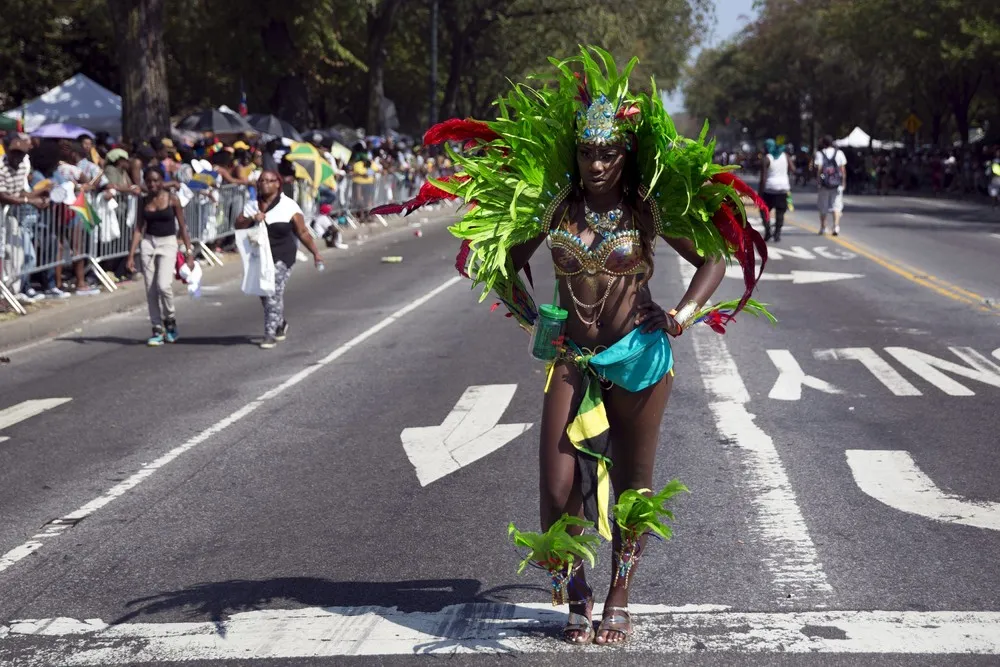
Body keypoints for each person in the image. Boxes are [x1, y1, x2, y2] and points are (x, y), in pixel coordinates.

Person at [375, 46, 770, 646]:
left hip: (637, 357)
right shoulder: (556, 208)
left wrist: (682, 315)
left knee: (633, 486)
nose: (596, 163)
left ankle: (619, 593)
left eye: (608, 151)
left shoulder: (647, 211)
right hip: (572, 361)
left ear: (625, 153)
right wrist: (534, 316)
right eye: (587, 151)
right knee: (558, 486)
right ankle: (576, 586)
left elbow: (712, 257)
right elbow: (502, 264)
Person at [235, 169, 324, 349]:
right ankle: (280, 322)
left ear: (278, 183)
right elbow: (238, 225)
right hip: (260, 257)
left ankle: (270, 333)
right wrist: (252, 218)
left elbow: (303, 232)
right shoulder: (252, 205)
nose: (265, 184)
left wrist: (316, 253)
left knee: (272, 292)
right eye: (261, 181)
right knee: (263, 293)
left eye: (269, 180)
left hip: (283, 256)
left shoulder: (288, 205)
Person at [126, 167, 196, 346]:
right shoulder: (143, 201)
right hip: (148, 243)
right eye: (149, 181)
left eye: (156, 180)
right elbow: (138, 228)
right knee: (151, 289)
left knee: (164, 286)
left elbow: (183, 226)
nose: (152, 184)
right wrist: (131, 255)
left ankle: (170, 320)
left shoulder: (172, 200)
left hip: (168, 243)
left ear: (162, 181)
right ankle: (157, 328)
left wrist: (189, 253)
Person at [759, 138, 791, 242]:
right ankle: (777, 234)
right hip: (783, 188)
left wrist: (759, 194)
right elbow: (793, 169)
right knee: (780, 212)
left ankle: (768, 231)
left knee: (764, 211)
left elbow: (763, 179)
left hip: (769, 189)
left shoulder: (766, 158)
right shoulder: (785, 156)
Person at [815, 135, 847, 235]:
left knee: (823, 206)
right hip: (836, 184)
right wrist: (843, 182)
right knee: (836, 206)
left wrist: (818, 181)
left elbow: (819, 169)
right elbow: (842, 169)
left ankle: (823, 227)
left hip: (824, 184)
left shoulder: (820, 154)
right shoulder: (839, 153)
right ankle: (836, 227)